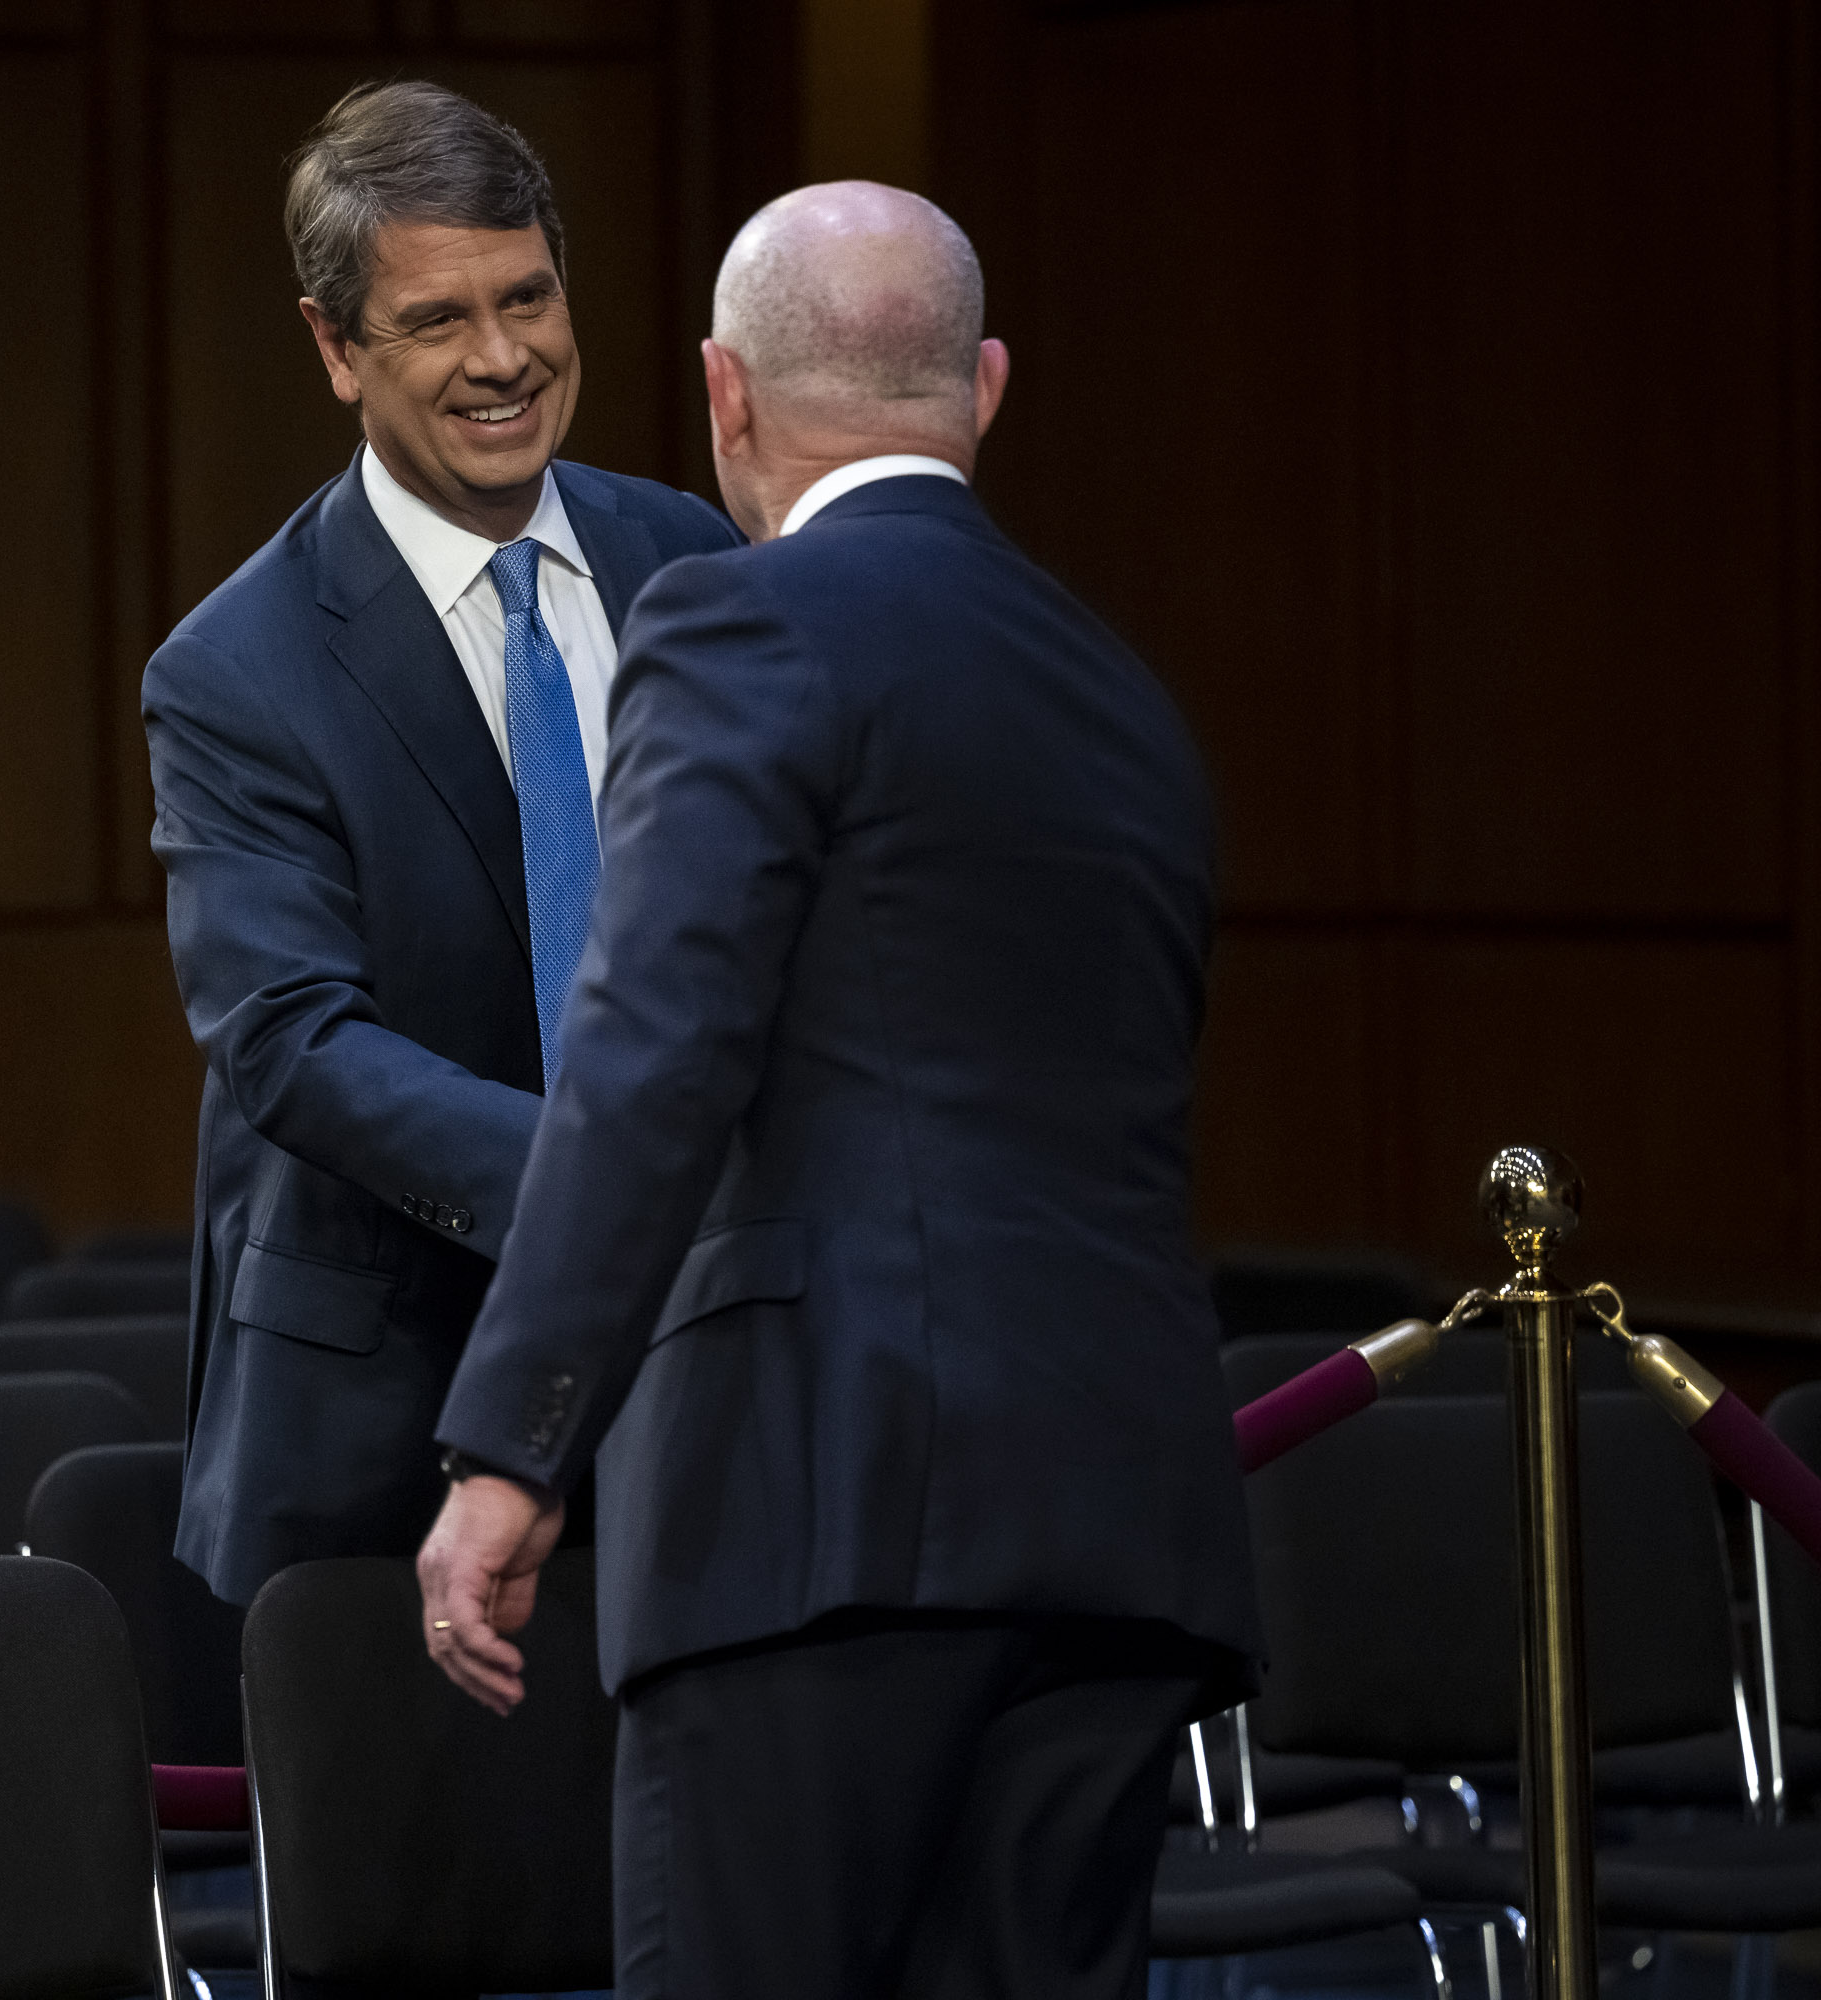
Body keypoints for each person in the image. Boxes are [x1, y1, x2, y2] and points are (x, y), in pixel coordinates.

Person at [416, 184, 1260, 1998]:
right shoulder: (1129, 700)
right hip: (1122, 1536)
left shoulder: (741, 630)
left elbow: (653, 1050)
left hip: (819, 1518)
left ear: (725, 398)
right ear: (988, 387)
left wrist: (513, 1449)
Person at [146, 80, 739, 1605]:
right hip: (385, 1433)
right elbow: (286, 1039)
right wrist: (615, 1180)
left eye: (529, 295)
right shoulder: (235, 668)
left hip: (713, 1399)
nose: (502, 358)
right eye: (435, 320)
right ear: (338, 348)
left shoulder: (695, 564)